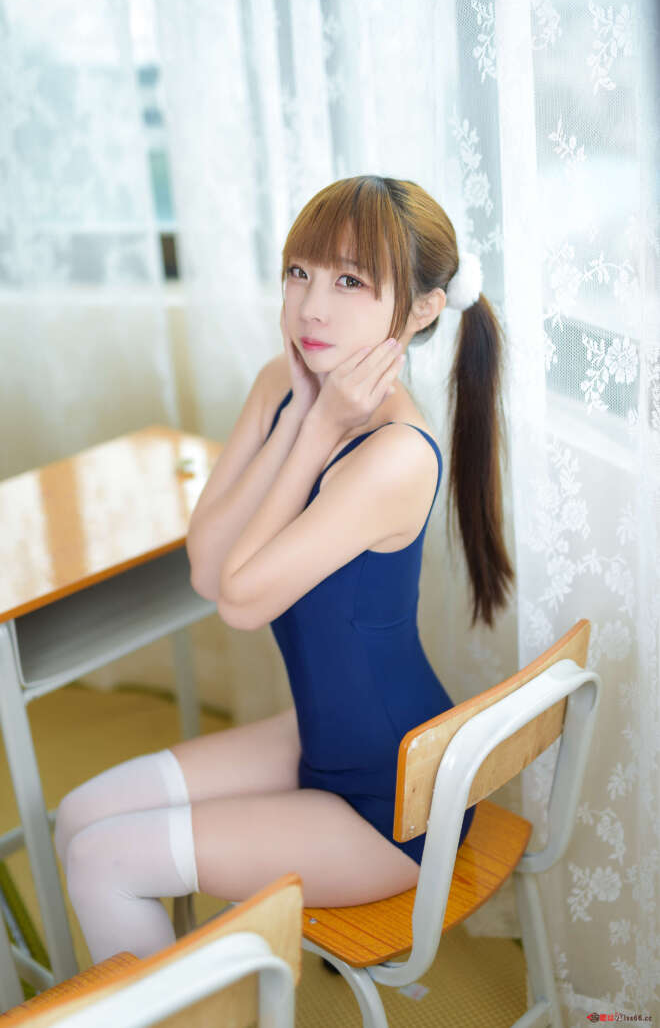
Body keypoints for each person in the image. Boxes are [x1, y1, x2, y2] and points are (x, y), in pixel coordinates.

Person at [55, 175, 514, 962]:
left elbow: (240, 602)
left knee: (104, 861)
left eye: (349, 281)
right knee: (77, 816)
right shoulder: (284, 382)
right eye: (299, 272)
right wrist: (302, 411)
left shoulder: (396, 455)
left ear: (422, 310)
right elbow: (208, 569)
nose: (311, 308)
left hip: (391, 802)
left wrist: (316, 427)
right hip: (317, 738)